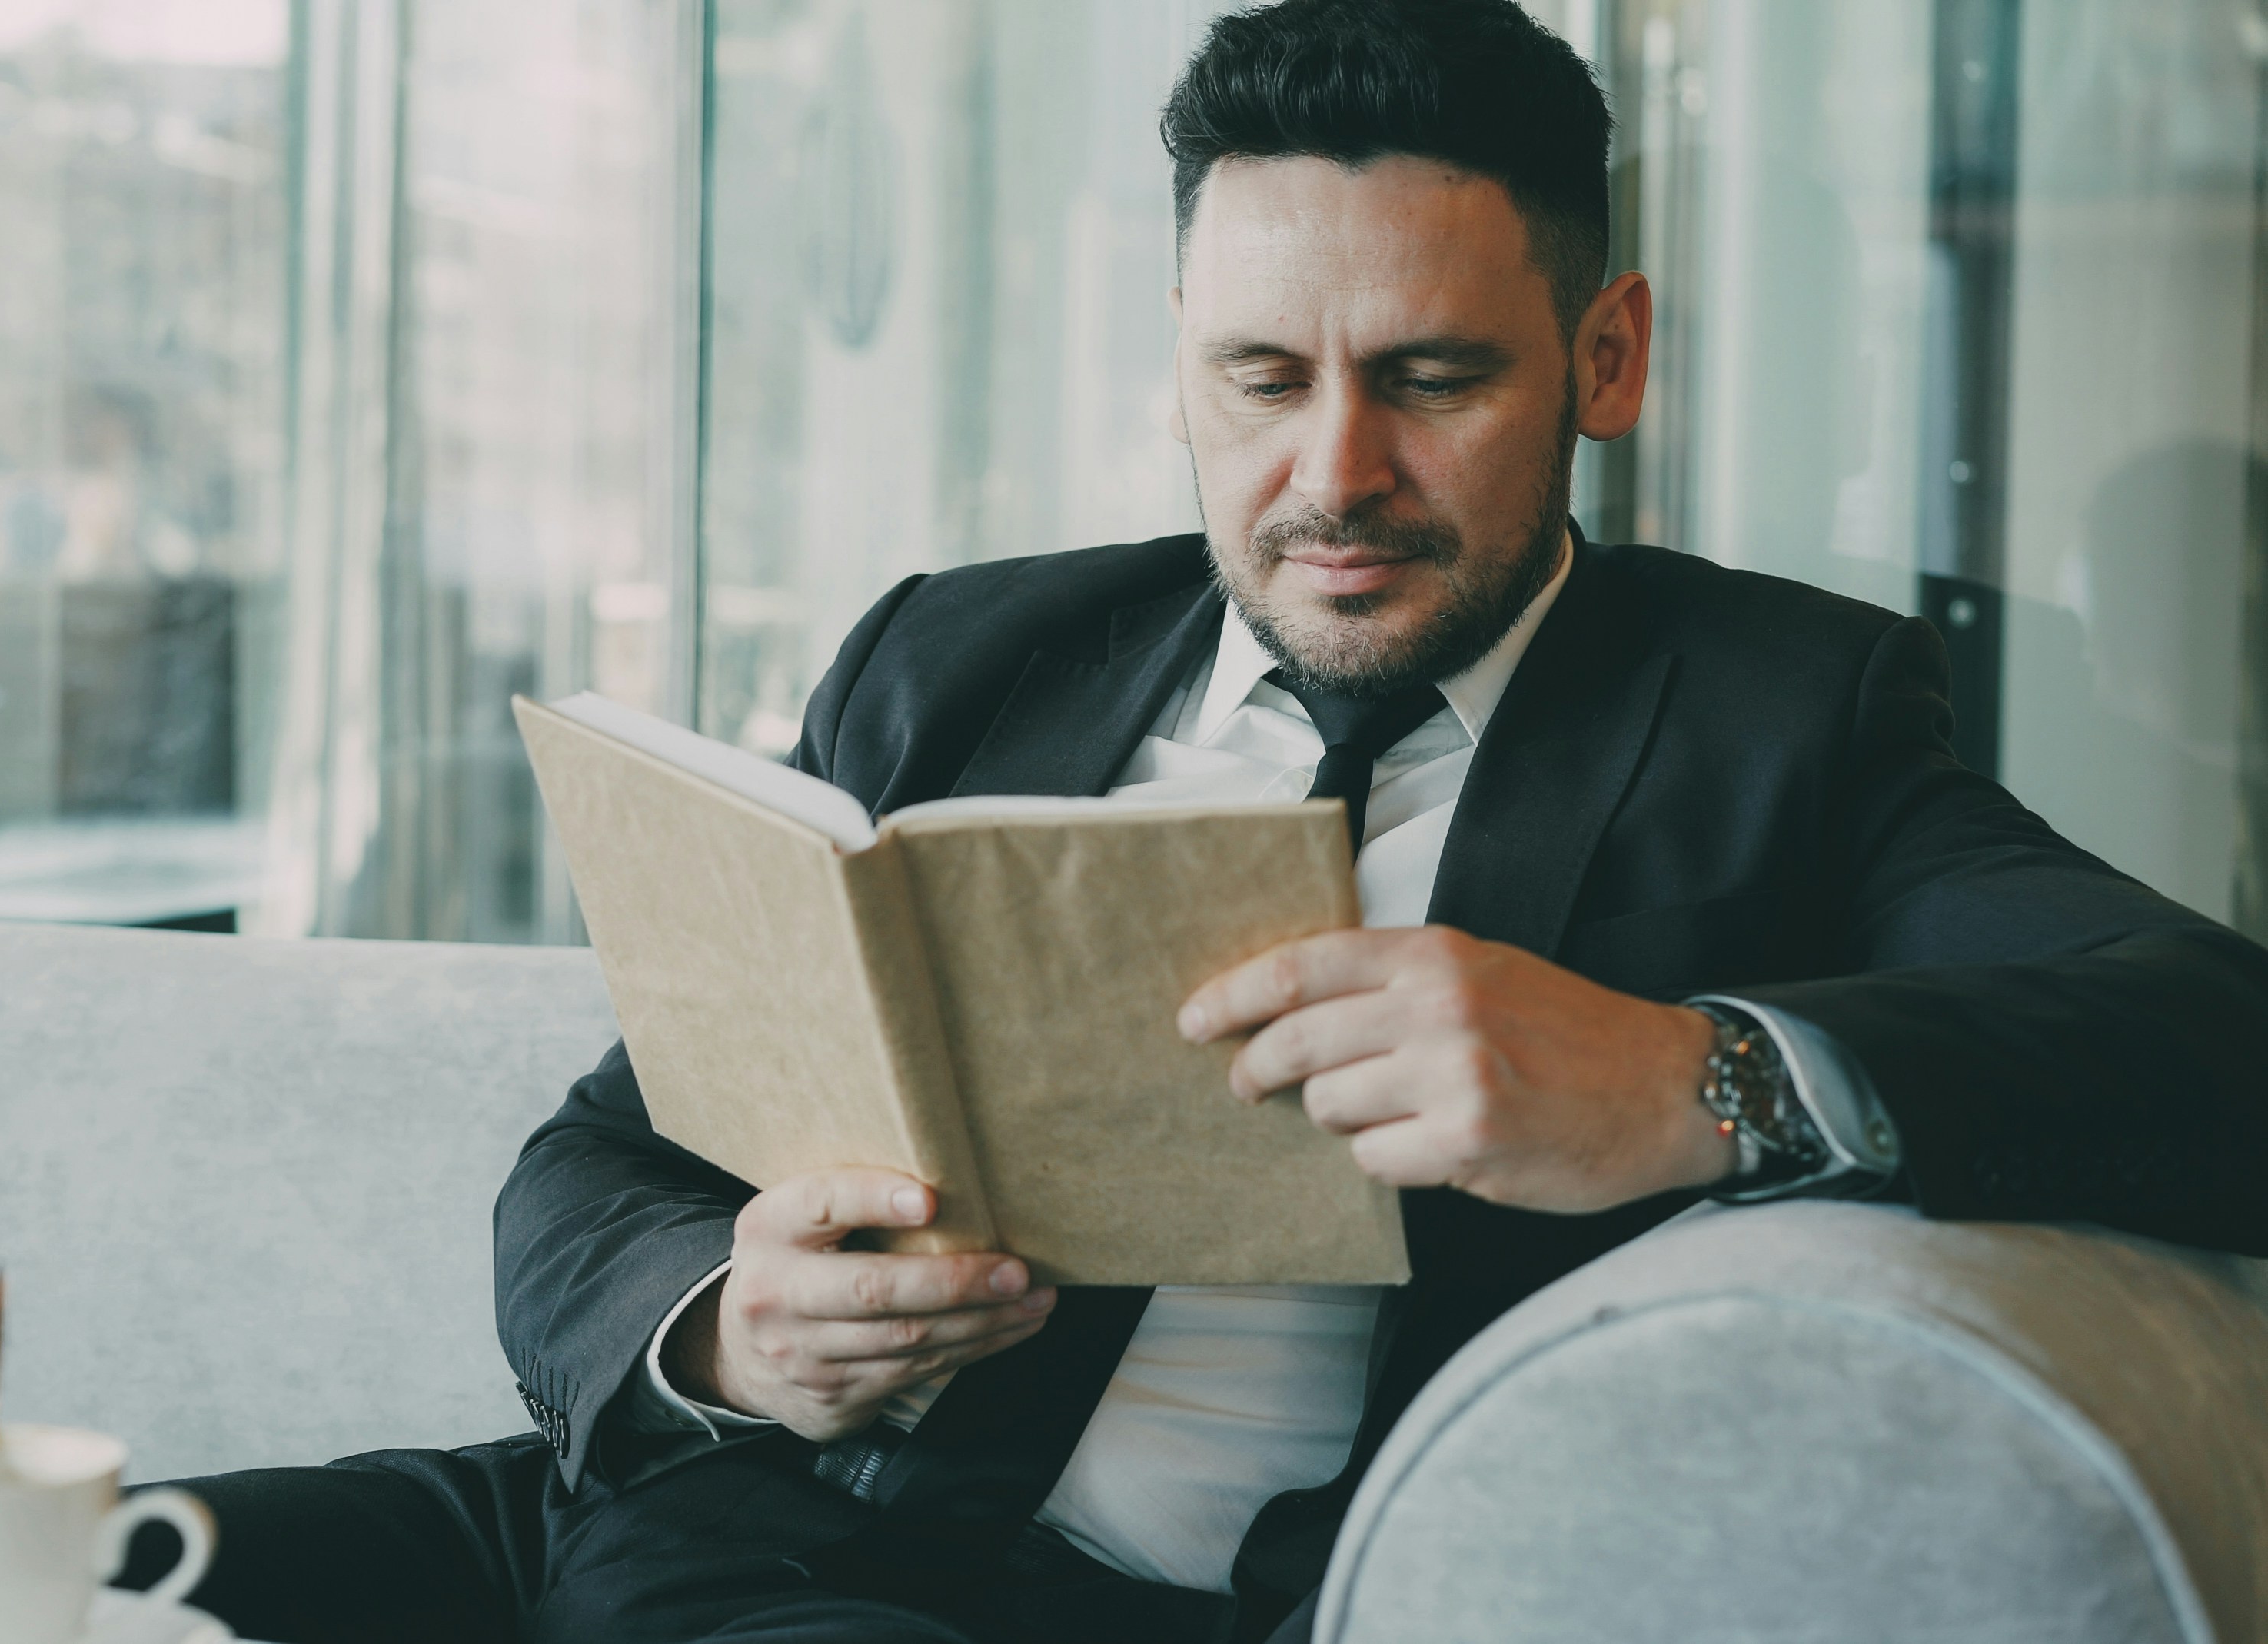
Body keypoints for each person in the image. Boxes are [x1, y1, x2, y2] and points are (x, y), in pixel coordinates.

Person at [125, 2, 2268, 1639]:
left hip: (1063, 1604)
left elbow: (2216, 1041)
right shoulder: (958, 654)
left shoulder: (1783, 716)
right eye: (1262, 378)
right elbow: (611, 1146)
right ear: (1179, 358)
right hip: (647, 1503)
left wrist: (1682, 1082)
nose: (1333, 475)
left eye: (1433, 378)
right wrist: (728, 1322)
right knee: (31, 1563)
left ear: (1605, 357)